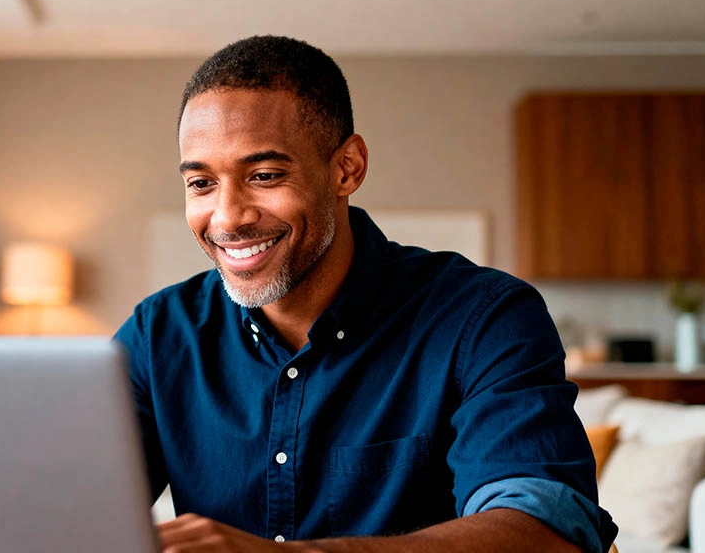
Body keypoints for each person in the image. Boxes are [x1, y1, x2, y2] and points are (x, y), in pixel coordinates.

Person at [114, 35, 617, 553]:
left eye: (264, 176)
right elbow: (66, 502)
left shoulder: (485, 318)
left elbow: (548, 533)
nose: (227, 217)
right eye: (201, 184)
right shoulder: (158, 334)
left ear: (346, 168)